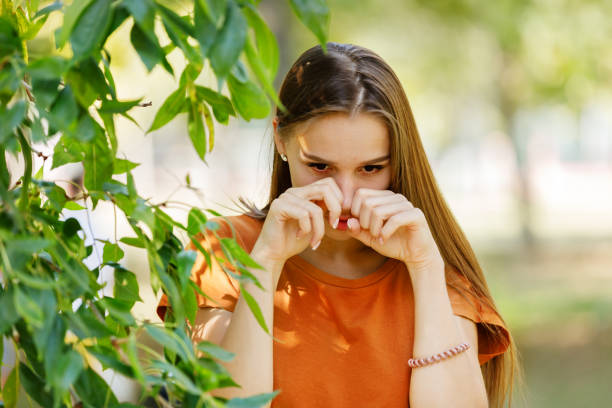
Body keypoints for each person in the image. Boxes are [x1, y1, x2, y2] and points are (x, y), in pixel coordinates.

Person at [157, 42, 517, 407]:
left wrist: (425, 269)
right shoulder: (225, 249)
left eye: (371, 169)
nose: (344, 197)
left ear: (399, 159)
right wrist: (264, 263)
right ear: (281, 139)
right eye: (320, 167)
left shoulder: (433, 270)